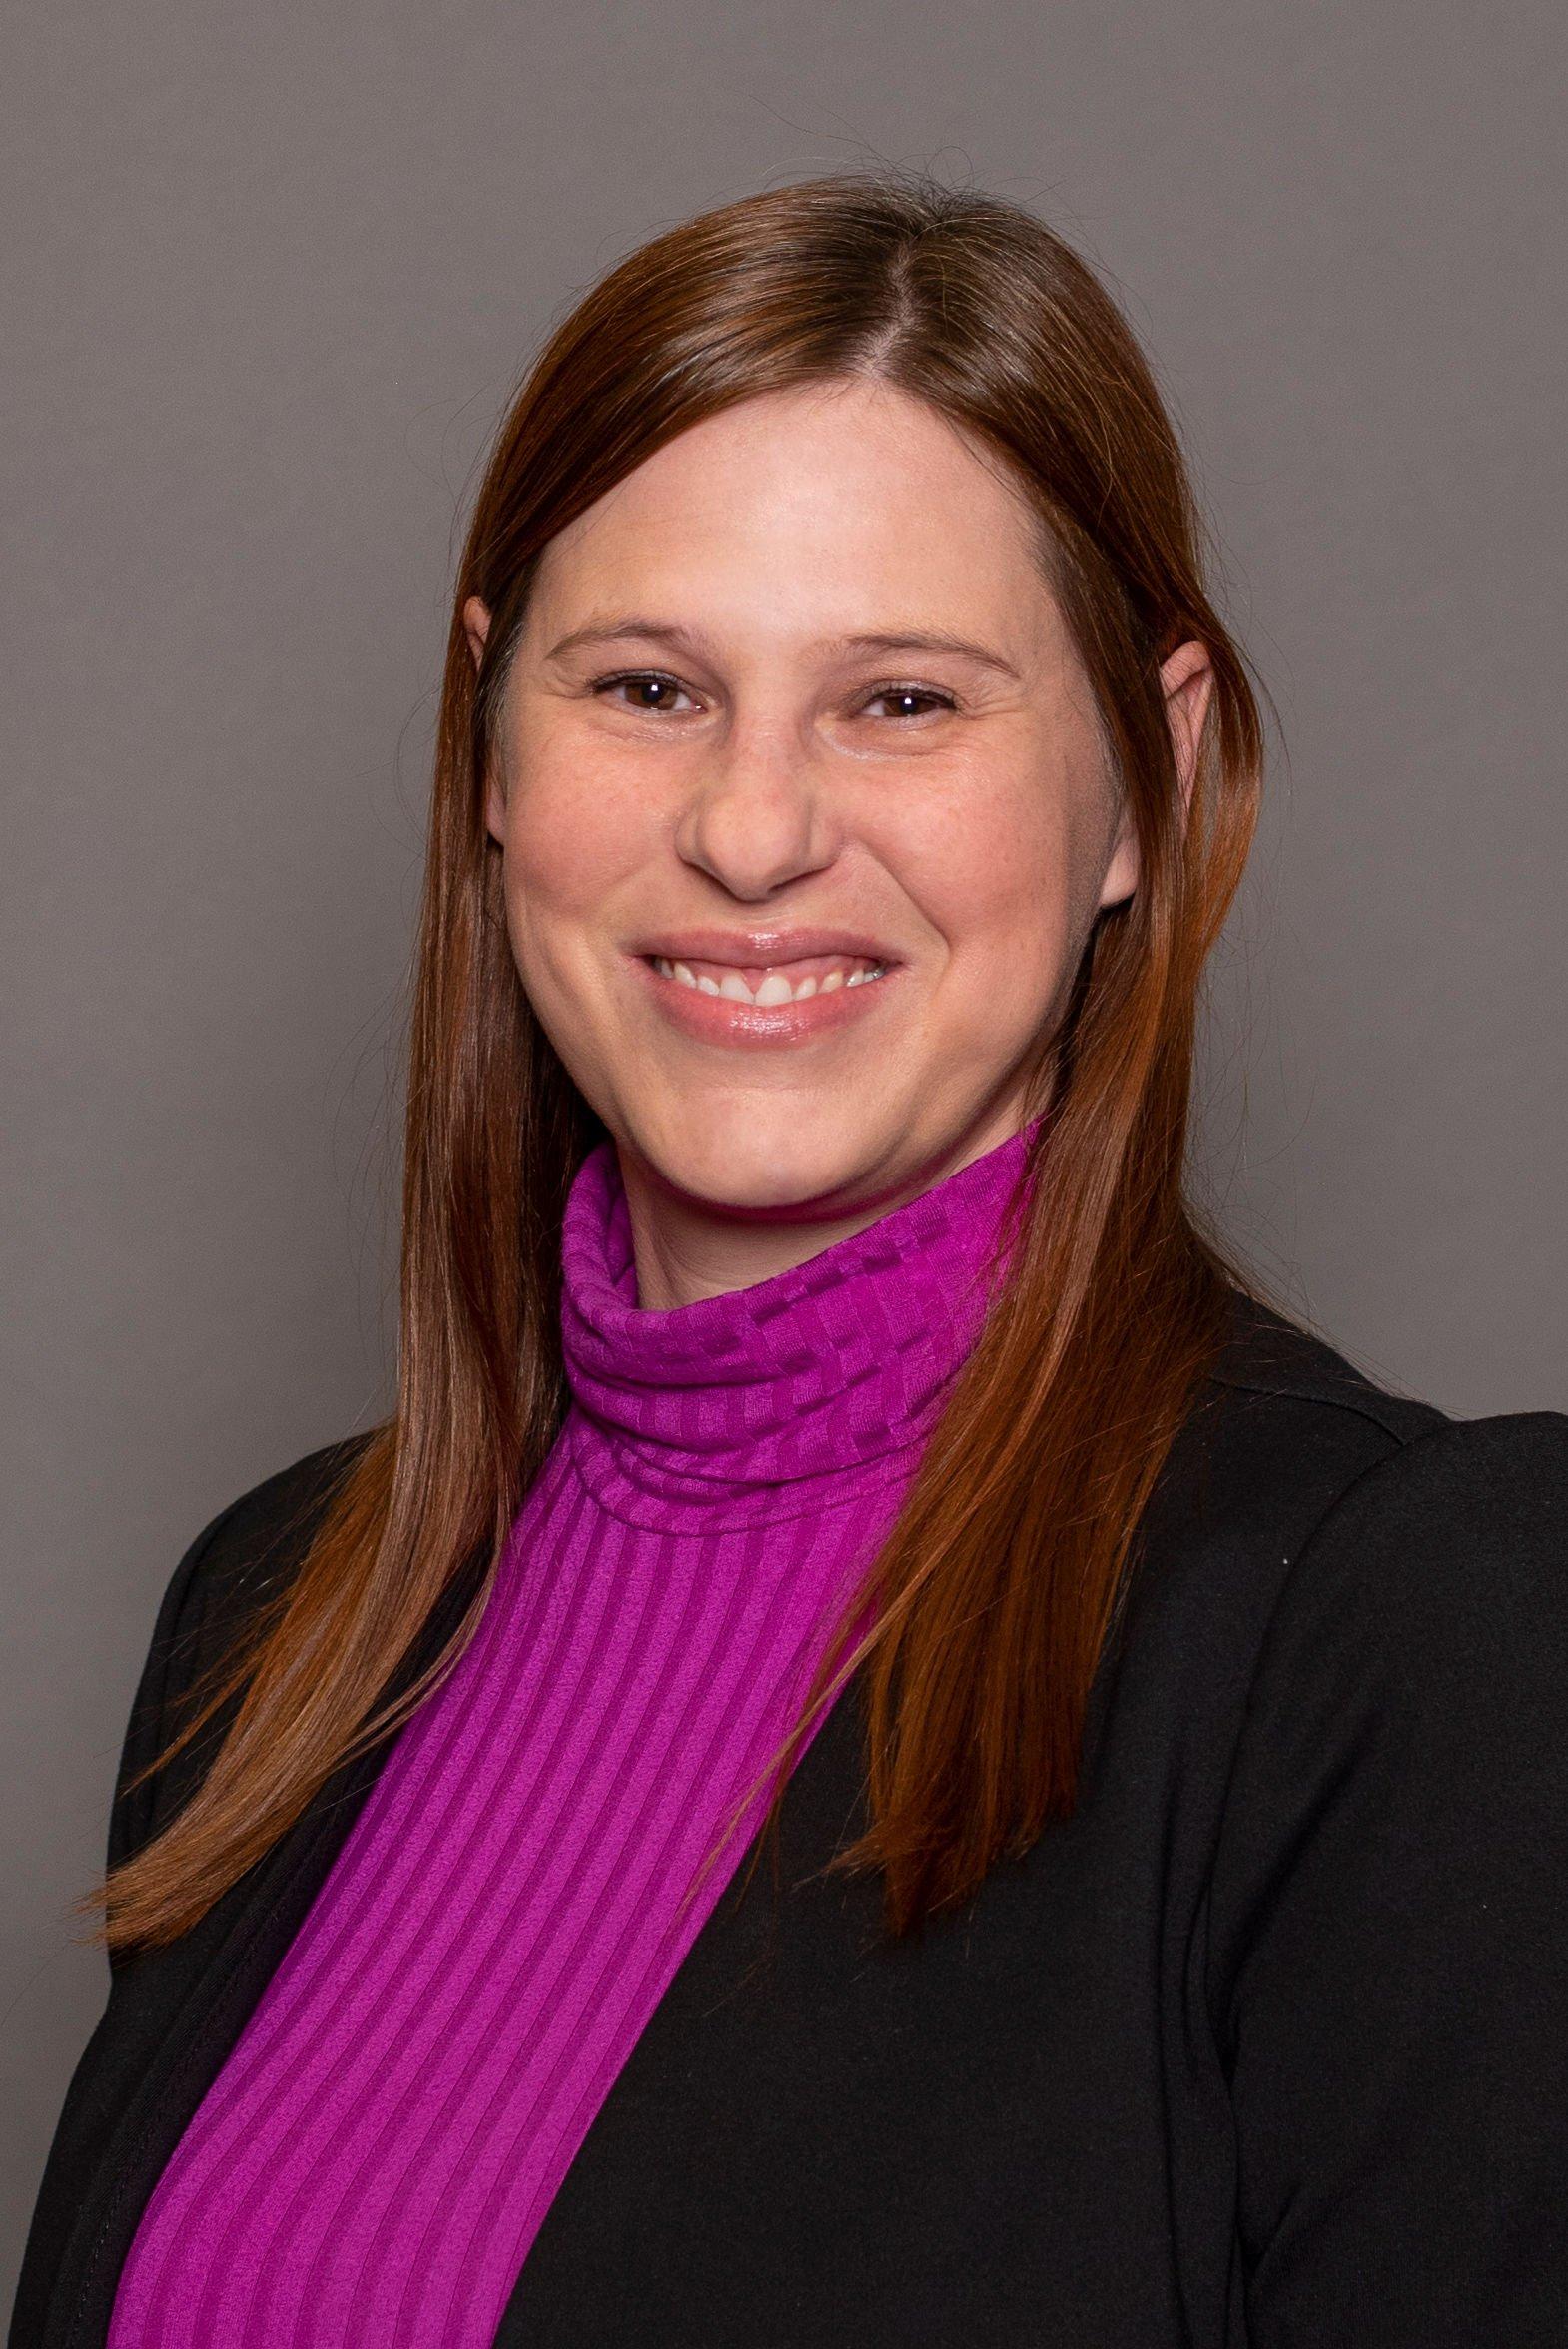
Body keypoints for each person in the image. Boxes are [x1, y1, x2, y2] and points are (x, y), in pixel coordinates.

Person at [13, 170, 1568, 2349]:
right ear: (488, 743)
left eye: (903, 704)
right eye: (645, 686)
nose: (751, 830)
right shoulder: (271, 1637)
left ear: (1147, 771)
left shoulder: (1415, 1643)